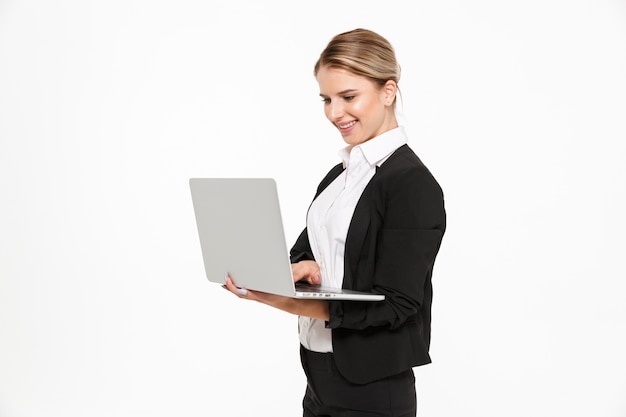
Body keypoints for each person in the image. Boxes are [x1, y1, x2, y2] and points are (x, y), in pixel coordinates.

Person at [224, 28, 446, 417]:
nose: (334, 112)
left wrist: (279, 298)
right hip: (319, 377)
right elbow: (305, 250)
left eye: (348, 97)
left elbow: (398, 304)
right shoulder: (338, 177)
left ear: (388, 91)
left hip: (372, 391)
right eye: (326, 99)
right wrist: (296, 269)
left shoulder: (411, 184)